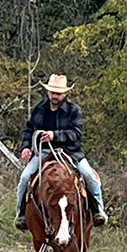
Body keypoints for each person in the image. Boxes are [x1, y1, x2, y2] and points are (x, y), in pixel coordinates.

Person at [15, 74, 108, 230]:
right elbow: (29, 130)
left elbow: (76, 134)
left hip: (70, 152)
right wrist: (26, 147)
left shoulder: (74, 110)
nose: (55, 96)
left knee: (90, 177)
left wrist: (55, 135)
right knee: (25, 177)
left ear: (65, 93)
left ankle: (98, 210)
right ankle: (22, 214)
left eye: (58, 93)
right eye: (52, 92)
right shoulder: (39, 109)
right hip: (43, 151)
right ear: (48, 92)